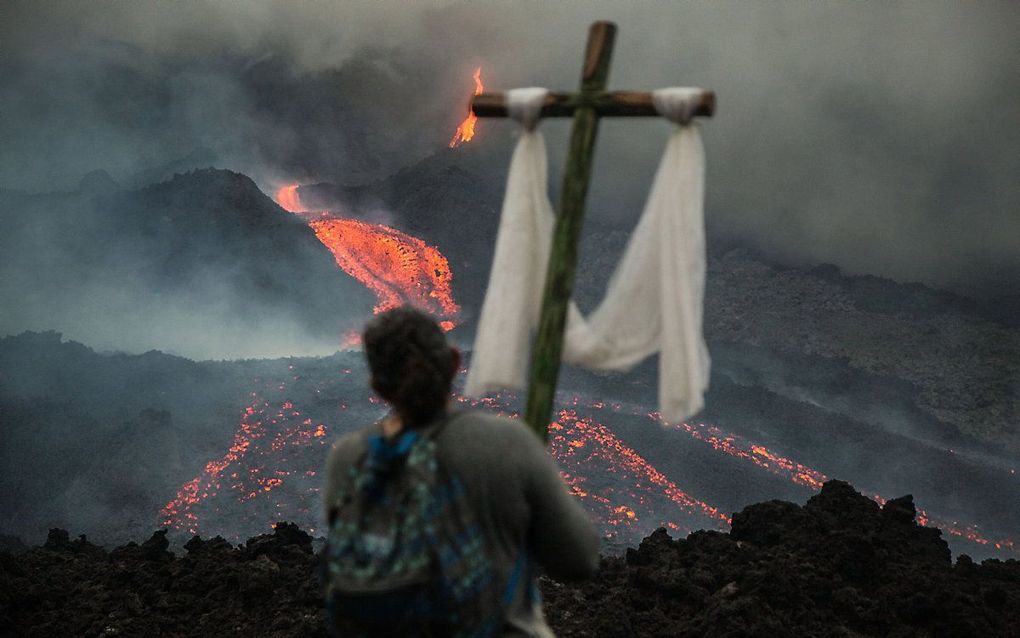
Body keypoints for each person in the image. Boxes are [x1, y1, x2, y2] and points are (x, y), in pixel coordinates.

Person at [323, 306, 600, 636]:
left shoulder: (350, 459)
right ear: (454, 363)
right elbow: (579, 560)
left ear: (378, 387)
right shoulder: (508, 442)